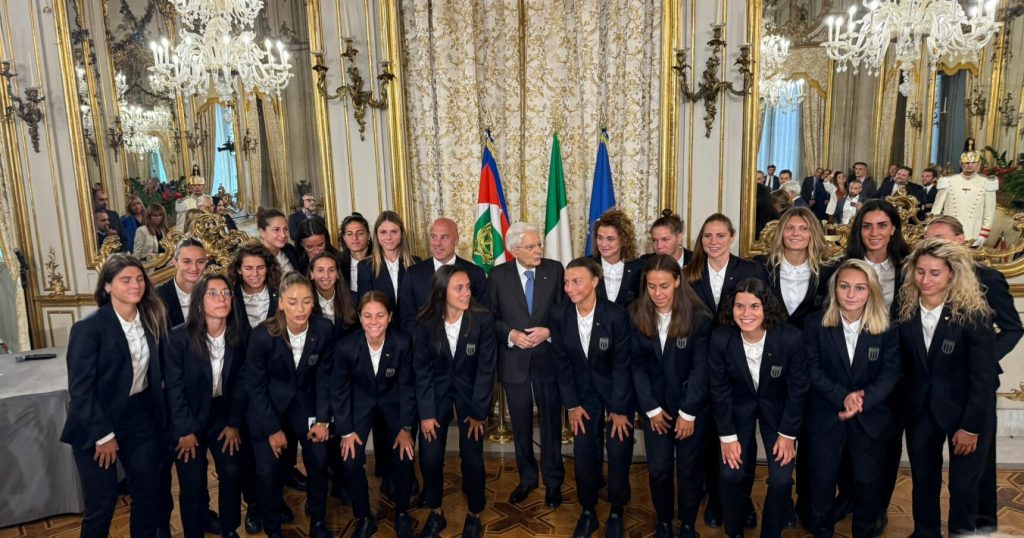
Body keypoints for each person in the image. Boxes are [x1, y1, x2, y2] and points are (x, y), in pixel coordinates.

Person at [923, 215, 1023, 532]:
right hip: (932, 386)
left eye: (940, 237)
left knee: (977, 467)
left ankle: (979, 525)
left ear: (960, 240)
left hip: (974, 386)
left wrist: (978, 360)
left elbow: (1011, 328)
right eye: (928, 240)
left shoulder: (987, 278)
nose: (933, 245)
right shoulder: (922, 279)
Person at [60, 254, 168, 538]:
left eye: (139, 279)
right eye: (126, 280)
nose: (136, 285)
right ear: (107, 286)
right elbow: (80, 391)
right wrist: (103, 435)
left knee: (148, 497)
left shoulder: (152, 319)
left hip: (139, 418)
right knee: (102, 505)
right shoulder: (88, 328)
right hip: (96, 422)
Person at [896, 239, 997, 537]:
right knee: (923, 481)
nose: (925, 280)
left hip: (964, 416)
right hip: (920, 414)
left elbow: (983, 378)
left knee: (964, 487)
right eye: (921, 271)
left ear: (951, 274)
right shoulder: (905, 311)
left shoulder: (974, 315)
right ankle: (925, 532)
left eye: (935, 273)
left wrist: (971, 426)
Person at [802, 259, 900, 538]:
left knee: (867, 486)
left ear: (871, 291)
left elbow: (891, 372)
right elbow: (812, 370)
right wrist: (843, 397)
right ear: (835, 289)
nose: (851, 294)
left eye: (859, 288)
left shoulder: (887, 327)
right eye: (844, 287)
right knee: (821, 486)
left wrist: (861, 401)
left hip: (870, 418)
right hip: (826, 417)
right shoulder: (816, 324)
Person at [708, 278, 808, 538]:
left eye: (754, 306)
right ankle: (735, 530)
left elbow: (798, 390)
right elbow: (719, 390)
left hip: (778, 411)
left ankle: (771, 532)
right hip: (737, 410)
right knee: (730, 475)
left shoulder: (791, 338)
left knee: (781, 479)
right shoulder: (721, 338)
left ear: (767, 308)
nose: (746, 314)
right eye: (739, 306)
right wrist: (728, 438)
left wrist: (787, 435)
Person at [246, 273, 335, 538]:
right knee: (268, 470)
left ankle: (317, 522)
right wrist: (273, 429)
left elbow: (324, 378)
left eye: (306, 301)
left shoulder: (323, 329)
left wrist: (322, 420)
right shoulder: (262, 334)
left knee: (319, 461)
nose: (300, 308)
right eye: (293, 302)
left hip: (306, 408)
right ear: (281, 303)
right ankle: (273, 528)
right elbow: (255, 386)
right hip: (268, 410)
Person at [630, 254, 713, 538]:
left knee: (690, 471)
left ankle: (688, 523)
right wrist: (651, 409)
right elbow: (636, 365)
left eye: (664, 286)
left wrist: (688, 413)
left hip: (690, 408)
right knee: (658, 470)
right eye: (651, 287)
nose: (657, 293)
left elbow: (702, 368)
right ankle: (664, 521)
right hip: (656, 411)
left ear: (677, 281)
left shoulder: (699, 318)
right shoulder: (636, 313)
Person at [551, 257, 634, 538]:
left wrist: (620, 408)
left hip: (615, 395)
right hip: (581, 397)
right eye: (566, 282)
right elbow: (561, 364)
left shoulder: (616, 315)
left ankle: (616, 510)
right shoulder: (559, 314)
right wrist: (572, 405)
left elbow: (623, 365)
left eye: (577, 281)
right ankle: (588, 510)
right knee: (584, 453)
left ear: (595, 282)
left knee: (619, 451)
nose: (569, 287)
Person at [414, 266, 496, 538]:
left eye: (468, 287)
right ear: (441, 292)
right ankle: (436, 513)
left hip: (471, 397)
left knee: (472, 458)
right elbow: (422, 371)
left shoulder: (483, 319)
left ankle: (474, 514)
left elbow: (486, 370)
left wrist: (478, 413)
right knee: (430, 457)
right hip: (435, 397)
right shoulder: (425, 322)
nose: (466, 293)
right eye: (459, 288)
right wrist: (426, 414)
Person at [487, 222, 566, 508]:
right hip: (514, 362)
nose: (538, 250)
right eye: (531, 246)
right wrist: (510, 335)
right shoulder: (497, 276)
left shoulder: (555, 270)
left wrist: (550, 331)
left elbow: (564, 310)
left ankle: (553, 482)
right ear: (514, 250)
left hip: (548, 360)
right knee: (520, 426)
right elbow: (490, 317)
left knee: (551, 424)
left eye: (539, 245)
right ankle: (528, 479)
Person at [164, 274, 247, 538]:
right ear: (199, 302)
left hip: (223, 414)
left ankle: (229, 527)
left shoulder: (240, 335)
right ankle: (194, 530)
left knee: (232, 472)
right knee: (192, 481)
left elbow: (242, 384)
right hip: (188, 417)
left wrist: (234, 423)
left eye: (225, 293)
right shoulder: (177, 338)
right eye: (213, 293)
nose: (221, 299)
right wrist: (185, 430)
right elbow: (174, 389)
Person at [333, 292, 417, 538]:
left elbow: (407, 388)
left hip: (393, 404)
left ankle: (402, 513)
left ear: (390, 317)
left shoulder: (402, 343)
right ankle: (364, 517)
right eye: (367, 316)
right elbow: (338, 391)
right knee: (350, 459)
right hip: (360, 405)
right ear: (359, 318)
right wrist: (346, 431)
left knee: (405, 456)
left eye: (380, 315)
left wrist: (406, 428)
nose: (374, 321)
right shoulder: (346, 346)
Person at [399, 217, 488, 336]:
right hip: (424, 349)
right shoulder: (413, 274)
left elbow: (482, 315)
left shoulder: (475, 273)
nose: (437, 243)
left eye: (444, 237)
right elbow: (406, 318)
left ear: (456, 241)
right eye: (433, 237)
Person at [757, 207, 835, 328]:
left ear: (812, 233)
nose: (795, 233)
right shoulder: (762, 265)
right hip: (770, 341)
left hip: (811, 343)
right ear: (781, 232)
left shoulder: (829, 270)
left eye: (804, 228)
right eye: (789, 228)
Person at [684, 213, 769, 317]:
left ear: (732, 237)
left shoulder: (752, 270)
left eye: (720, 236)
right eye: (708, 236)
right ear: (702, 239)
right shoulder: (688, 272)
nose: (713, 242)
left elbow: (765, 310)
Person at [844, 198, 910, 314]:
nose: (874, 233)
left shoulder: (909, 267)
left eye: (882, 225)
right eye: (867, 226)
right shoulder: (841, 267)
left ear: (893, 229)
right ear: (859, 230)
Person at [357, 211, 420, 329]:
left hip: (413, 333)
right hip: (382, 333)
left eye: (394, 232)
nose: (389, 237)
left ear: (402, 234)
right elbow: (365, 307)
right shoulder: (365, 266)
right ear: (376, 235)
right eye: (383, 232)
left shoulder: (416, 263)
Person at [932, 138, 999, 245]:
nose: (969, 165)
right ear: (961, 163)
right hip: (948, 233)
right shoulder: (947, 181)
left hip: (974, 234)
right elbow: (936, 208)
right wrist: (933, 229)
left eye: (973, 162)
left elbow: (989, 212)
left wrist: (983, 234)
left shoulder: (987, 183)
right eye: (966, 162)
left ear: (978, 164)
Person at [591, 208, 643, 306]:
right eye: (600, 238)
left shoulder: (640, 268)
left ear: (624, 240)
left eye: (610, 239)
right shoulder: (586, 266)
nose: (603, 244)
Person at [229, 243, 282, 335]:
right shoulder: (230, 297)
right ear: (239, 269)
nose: (255, 274)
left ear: (268, 268)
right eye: (248, 268)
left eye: (260, 267)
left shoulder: (280, 292)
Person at [156, 239, 209, 327]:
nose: (194, 268)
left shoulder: (214, 292)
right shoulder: (158, 297)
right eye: (187, 262)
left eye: (200, 262)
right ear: (175, 262)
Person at [257, 208, 300, 275]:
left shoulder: (289, 249)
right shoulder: (255, 257)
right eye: (276, 229)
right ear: (262, 232)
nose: (283, 235)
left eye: (285, 229)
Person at [340, 213, 373, 293]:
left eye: (360, 233)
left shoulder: (380, 262)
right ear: (344, 237)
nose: (355, 238)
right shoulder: (339, 264)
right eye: (349, 234)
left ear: (368, 235)